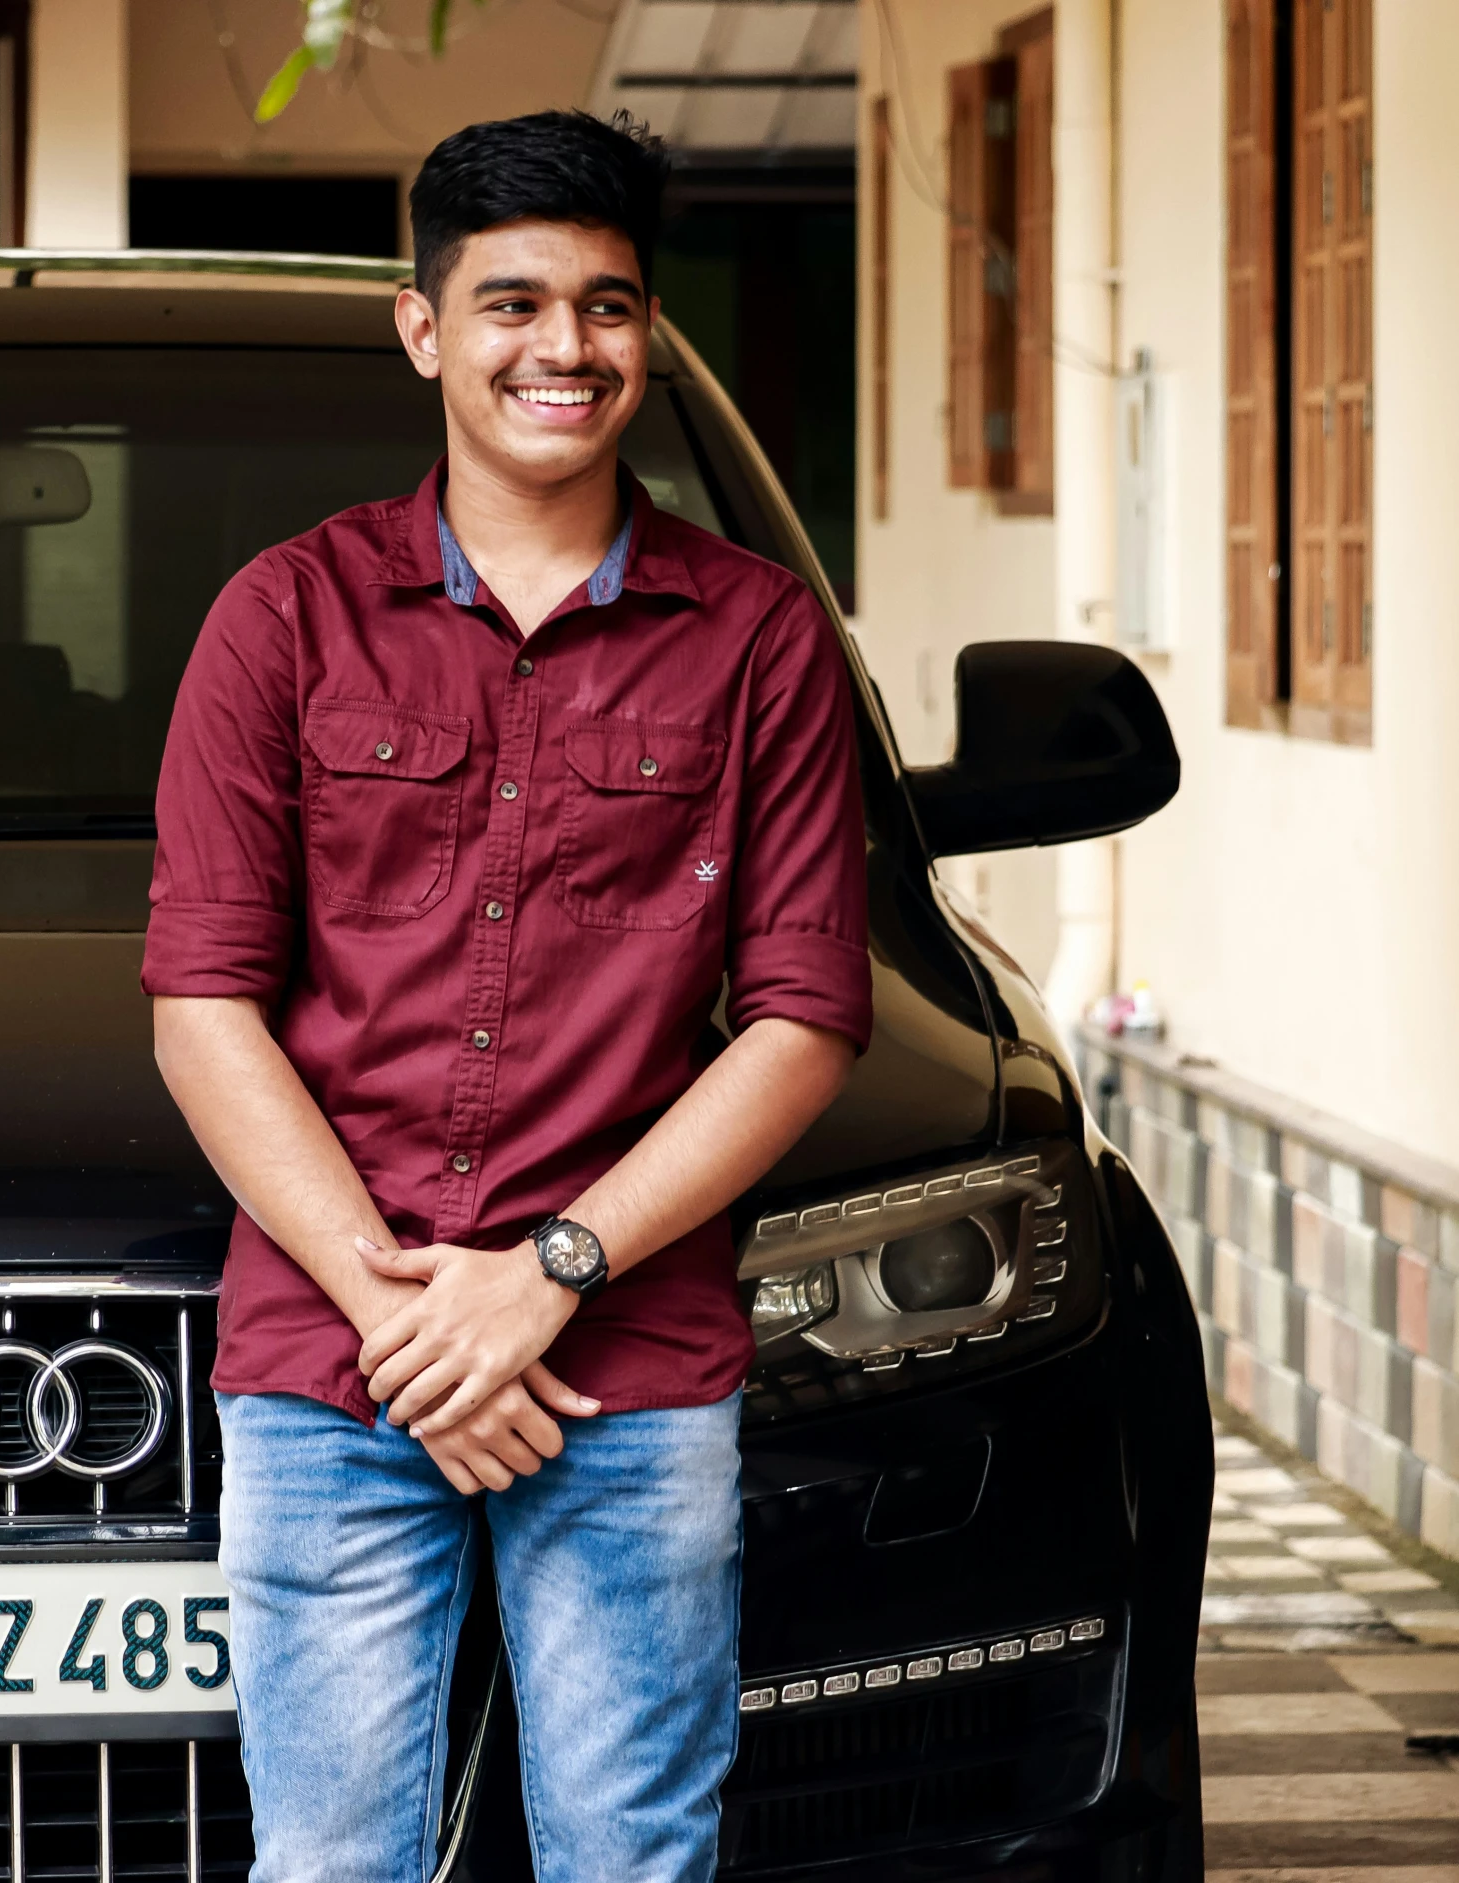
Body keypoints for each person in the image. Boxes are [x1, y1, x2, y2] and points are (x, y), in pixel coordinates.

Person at [144, 109, 871, 1883]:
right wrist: (415, 1318)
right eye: (515, 303)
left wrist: (546, 1275)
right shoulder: (287, 620)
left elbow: (804, 1019)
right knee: (331, 1867)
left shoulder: (762, 638)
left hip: (626, 1358)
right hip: (337, 1366)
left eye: (610, 308)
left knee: (634, 1858)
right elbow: (202, 1003)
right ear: (425, 329)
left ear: (650, 337)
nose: (566, 348)